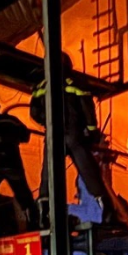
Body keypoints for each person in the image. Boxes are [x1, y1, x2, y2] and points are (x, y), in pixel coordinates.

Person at [29, 54, 113, 223]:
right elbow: (87, 109)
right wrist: (92, 131)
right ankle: (108, 213)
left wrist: (47, 121)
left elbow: (34, 113)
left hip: (53, 136)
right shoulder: (76, 82)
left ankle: (44, 214)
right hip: (74, 136)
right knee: (89, 172)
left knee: (48, 176)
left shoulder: (41, 85)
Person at [0, 96, 37, 235]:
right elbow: (25, 136)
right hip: (12, 165)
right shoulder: (11, 120)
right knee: (24, 196)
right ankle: (34, 223)